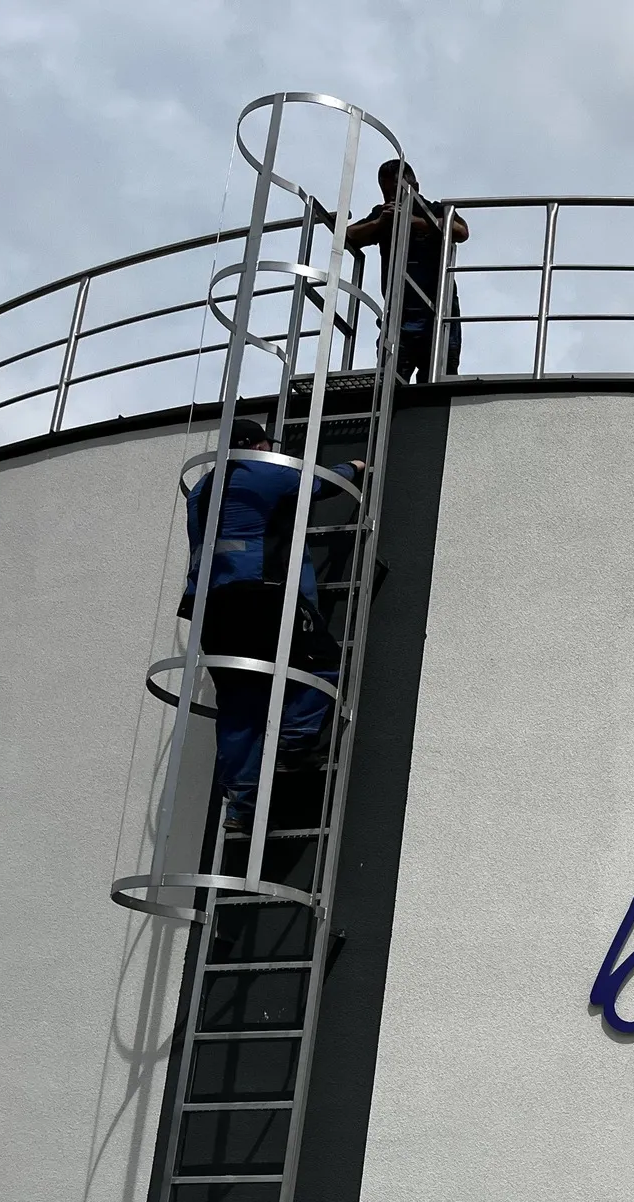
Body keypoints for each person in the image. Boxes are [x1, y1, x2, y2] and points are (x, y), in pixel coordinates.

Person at [182, 417, 365, 830]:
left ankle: (242, 806)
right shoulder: (264, 472)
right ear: (257, 446)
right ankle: (292, 746)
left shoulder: (201, 490)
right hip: (261, 595)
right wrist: (354, 466)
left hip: (210, 607)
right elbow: (321, 484)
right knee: (321, 666)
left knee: (239, 704)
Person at [345, 160, 469, 381]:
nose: (391, 199)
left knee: (438, 386)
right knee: (389, 384)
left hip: (439, 316)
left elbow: (461, 231)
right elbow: (349, 235)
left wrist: (414, 221)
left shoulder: (434, 210)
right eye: (386, 194)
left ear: (415, 188)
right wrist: (379, 223)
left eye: (396, 192)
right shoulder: (383, 215)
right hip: (399, 318)